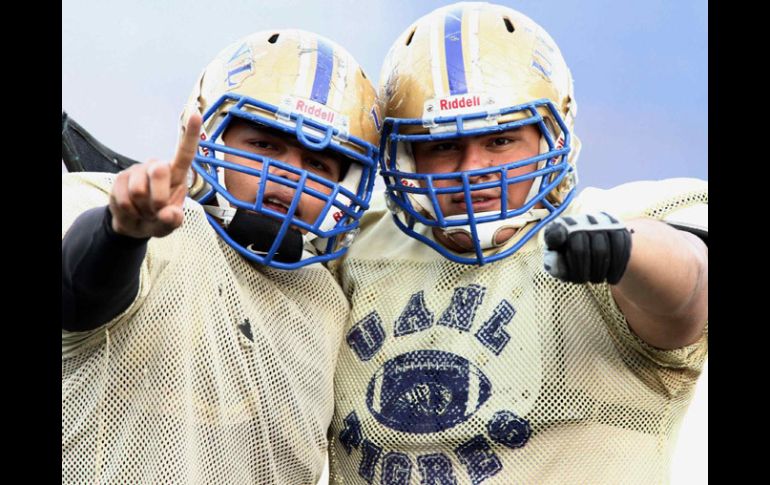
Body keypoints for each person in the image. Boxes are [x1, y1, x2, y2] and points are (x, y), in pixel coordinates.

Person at [327, 3, 708, 484]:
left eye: (501, 140)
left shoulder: (607, 231)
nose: (472, 171)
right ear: (405, 155)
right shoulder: (356, 247)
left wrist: (624, 249)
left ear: (552, 135)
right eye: (443, 145)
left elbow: (689, 289)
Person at [62, 29, 379, 484]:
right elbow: (79, 295)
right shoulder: (140, 217)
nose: (290, 176)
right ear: (209, 136)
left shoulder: (326, 299)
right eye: (266, 145)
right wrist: (122, 234)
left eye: (319, 164)